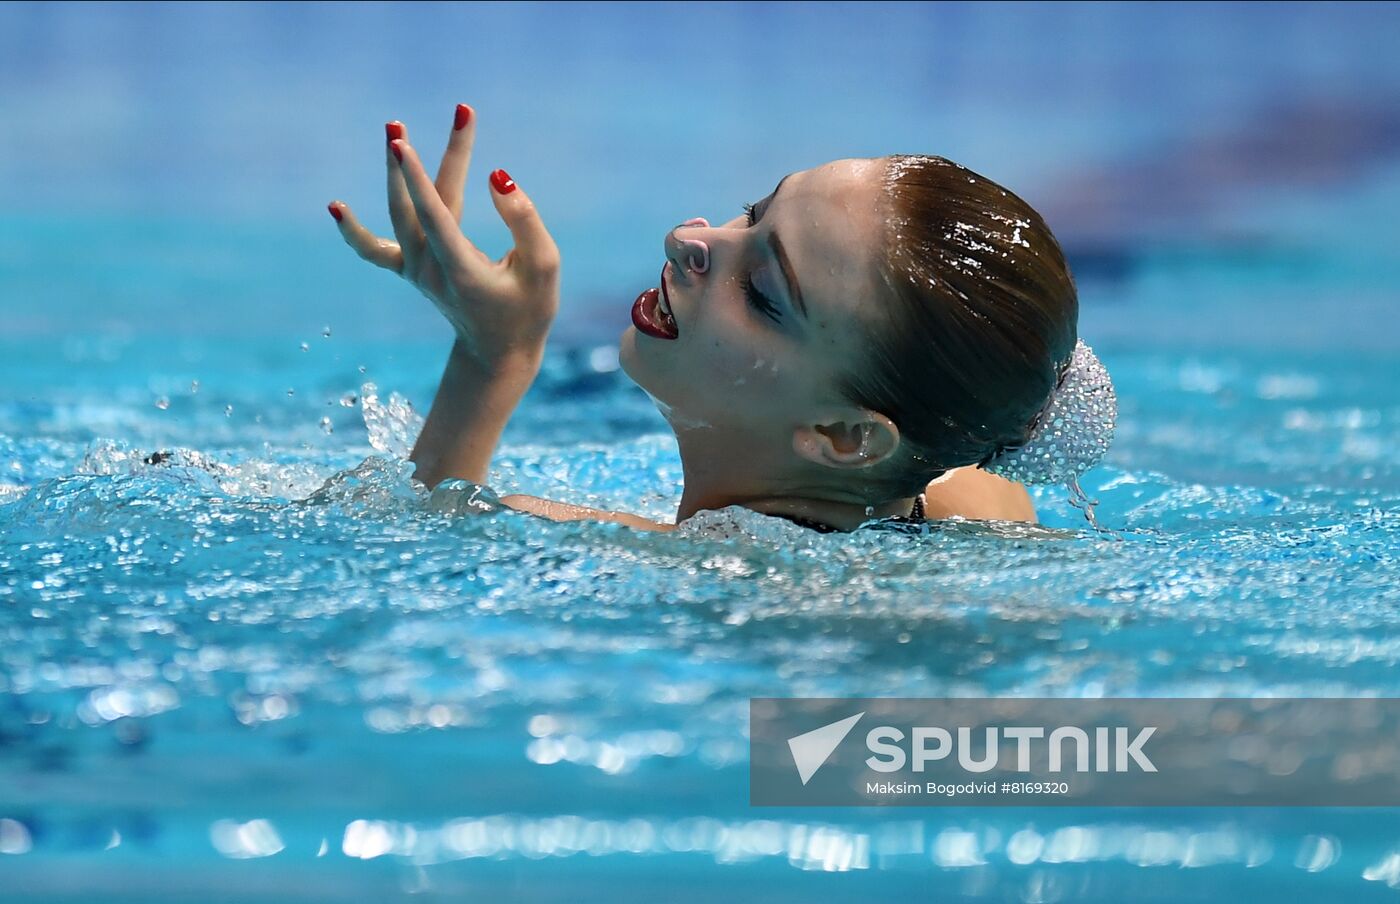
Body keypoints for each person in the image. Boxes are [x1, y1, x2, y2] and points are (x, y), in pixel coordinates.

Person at [326, 104, 1116, 534]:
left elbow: (398, 544)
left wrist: (492, 356)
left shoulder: (668, 573)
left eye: (764, 291)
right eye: (752, 210)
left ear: (845, 438)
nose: (691, 238)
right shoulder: (977, 501)